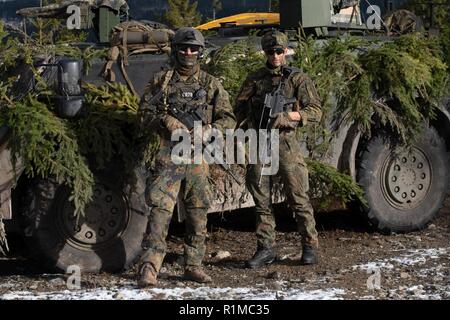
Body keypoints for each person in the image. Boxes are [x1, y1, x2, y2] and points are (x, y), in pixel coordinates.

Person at [136, 27, 236, 286]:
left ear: (200, 52)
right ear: (176, 50)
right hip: (169, 155)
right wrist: (165, 120)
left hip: (198, 156)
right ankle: (149, 266)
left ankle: (193, 264)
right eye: (183, 48)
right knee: (160, 211)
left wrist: (211, 130)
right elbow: (143, 113)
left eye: (193, 49)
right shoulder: (162, 81)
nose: (188, 53)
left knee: (198, 211)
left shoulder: (210, 84)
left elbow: (228, 119)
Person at [234, 30, 322, 268]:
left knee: (298, 196)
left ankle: (309, 245)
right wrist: (245, 130)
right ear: (265, 52)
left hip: (285, 143)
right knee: (261, 199)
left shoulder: (297, 79)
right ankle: (266, 248)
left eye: (279, 51)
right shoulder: (254, 79)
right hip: (261, 141)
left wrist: (290, 116)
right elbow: (238, 109)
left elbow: (315, 110)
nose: (275, 56)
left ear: (286, 51)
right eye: (270, 51)